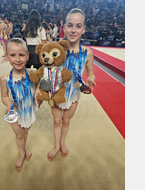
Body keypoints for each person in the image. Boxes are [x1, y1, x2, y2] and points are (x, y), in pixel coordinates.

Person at [41, 8, 96, 161]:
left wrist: (90, 78)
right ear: (63, 27)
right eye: (70, 25)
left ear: (83, 29)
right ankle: (57, 145)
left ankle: (63, 141)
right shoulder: (55, 49)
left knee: (66, 121)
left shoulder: (87, 52)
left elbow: (90, 72)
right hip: (57, 93)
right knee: (57, 121)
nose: (73, 30)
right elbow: (46, 70)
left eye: (78, 26)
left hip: (73, 94)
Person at [0, 38, 38, 171]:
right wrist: (9, 103)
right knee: (19, 134)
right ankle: (21, 154)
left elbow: (38, 91)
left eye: (21, 55)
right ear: (7, 56)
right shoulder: (4, 78)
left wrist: (39, 95)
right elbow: (4, 96)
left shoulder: (33, 75)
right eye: (12, 55)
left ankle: (24, 147)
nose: (17, 59)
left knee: (25, 131)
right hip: (13, 112)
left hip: (28, 110)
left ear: (27, 56)